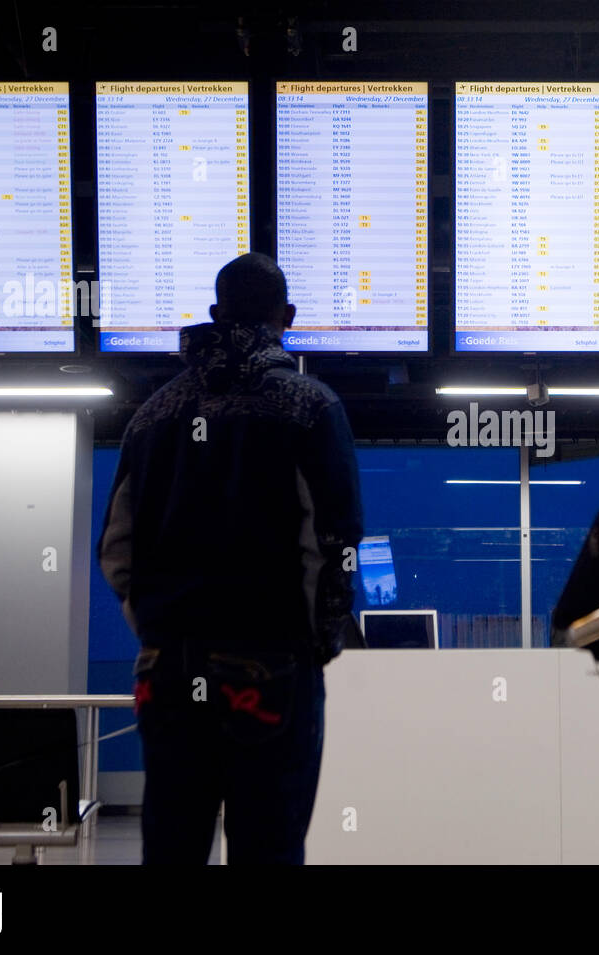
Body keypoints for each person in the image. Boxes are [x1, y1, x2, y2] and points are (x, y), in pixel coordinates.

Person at [97, 252, 363, 864]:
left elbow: (116, 548)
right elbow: (335, 543)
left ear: (214, 314)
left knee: (171, 844)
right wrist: (315, 641)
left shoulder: (152, 416)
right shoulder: (309, 406)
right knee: (267, 845)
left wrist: (162, 630)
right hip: (268, 666)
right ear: (286, 317)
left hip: (165, 670)